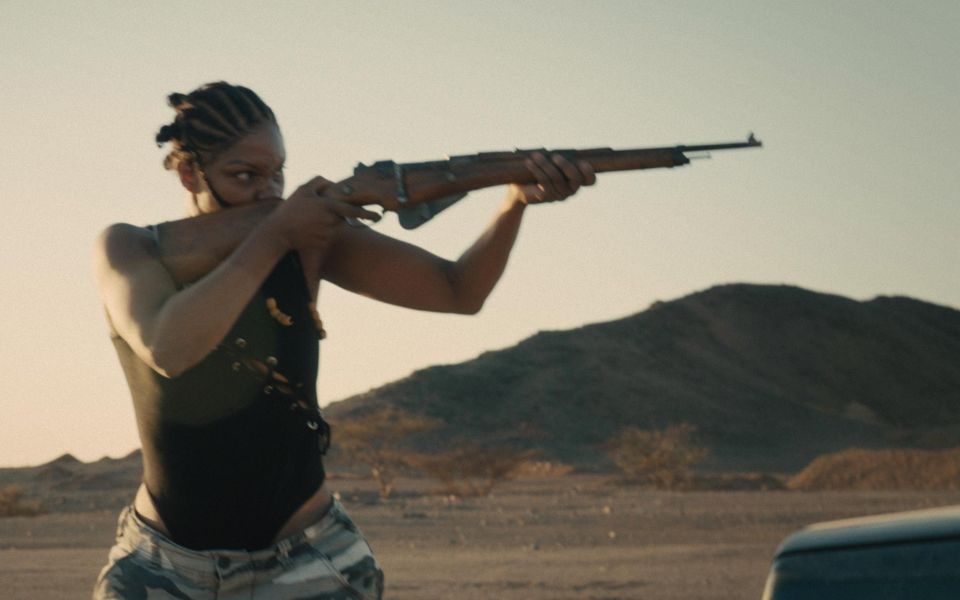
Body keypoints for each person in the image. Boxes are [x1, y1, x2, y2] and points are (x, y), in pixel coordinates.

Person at [92, 81, 595, 599]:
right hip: (164, 566)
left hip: (308, 560)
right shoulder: (131, 248)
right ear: (189, 173)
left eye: (278, 173)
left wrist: (514, 201)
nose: (269, 192)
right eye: (245, 176)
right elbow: (167, 347)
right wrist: (275, 235)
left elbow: (459, 290)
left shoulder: (310, 238)